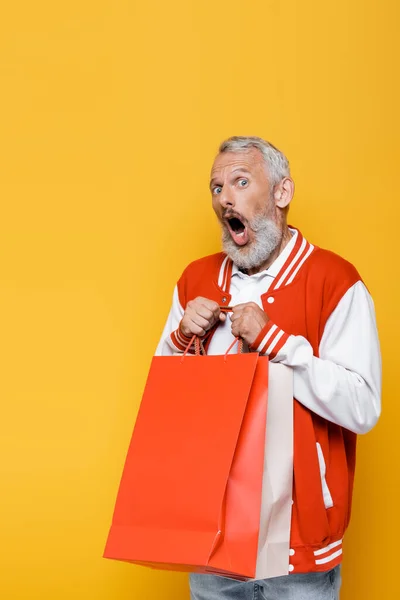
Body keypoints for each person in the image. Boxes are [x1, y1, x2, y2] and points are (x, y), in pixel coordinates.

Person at [155, 136, 381, 600]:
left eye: (241, 181)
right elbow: (165, 404)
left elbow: (362, 406)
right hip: (211, 538)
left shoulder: (335, 281)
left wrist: (276, 343)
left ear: (282, 193)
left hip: (299, 548)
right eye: (216, 188)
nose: (225, 198)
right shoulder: (194, 281)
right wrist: (181, 338)